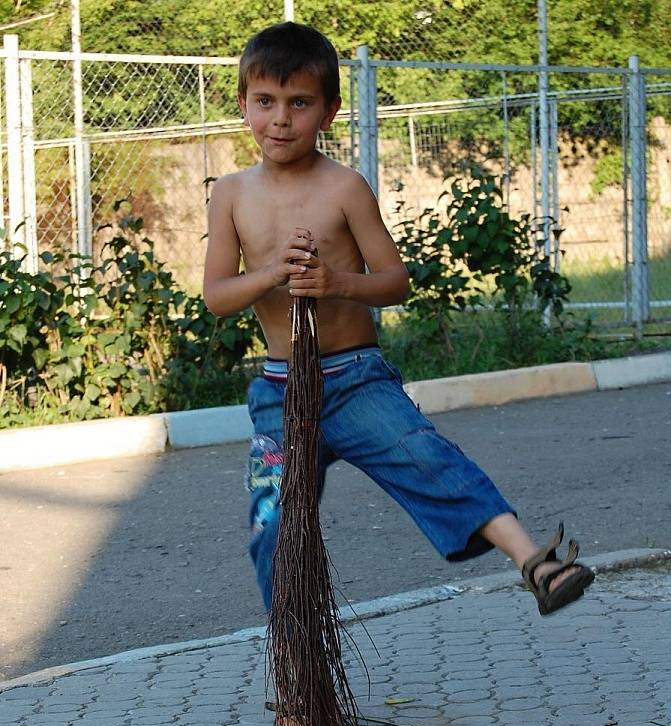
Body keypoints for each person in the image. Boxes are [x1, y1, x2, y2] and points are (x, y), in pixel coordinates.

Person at [203, 22, 594, 627]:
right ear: (243, 104)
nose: (280, 119)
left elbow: (394, 280)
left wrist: (336, 284)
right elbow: (217, 295)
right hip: (279, 390)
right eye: (266, 102)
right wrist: (270, 274)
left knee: (428, 457)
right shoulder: (230, 194)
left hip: (355, 378)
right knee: (272, 529)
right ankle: (295, 664)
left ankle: (536, 564)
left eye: (300, 103)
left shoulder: (344, 188)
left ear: (329, 111)